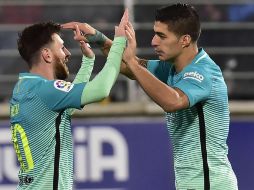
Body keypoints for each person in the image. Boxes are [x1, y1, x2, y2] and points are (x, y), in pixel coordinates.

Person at [62, 3, 238, 190]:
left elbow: (173, 101)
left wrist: (132, 62)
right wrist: (96, 37)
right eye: (155, 33)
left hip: (210, 183)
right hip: (195, 183)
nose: (154, 41)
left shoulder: (203, 73)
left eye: (162, 36)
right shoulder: (172, 68)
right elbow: (130, 67)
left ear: (185, 40)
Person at [9, 10, 129, 190]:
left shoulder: (24, 88)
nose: (67, 53)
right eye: (62, 47)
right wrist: (118, 43)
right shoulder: (44, 90)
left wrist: (88, 61)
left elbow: (67, 107)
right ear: (47, 55)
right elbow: (101, 90)